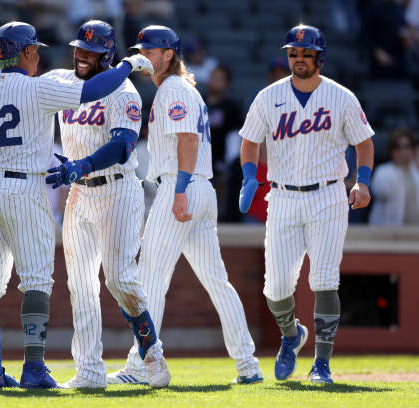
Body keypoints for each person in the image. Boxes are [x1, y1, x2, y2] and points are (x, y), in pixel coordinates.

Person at [0, 21, 154, 389]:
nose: (40, 55)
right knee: (36, 282)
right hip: (26, 188)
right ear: (27, 52)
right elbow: (92, 89)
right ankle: (34, 369)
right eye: (35, 50)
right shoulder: (40, 87)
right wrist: (129, 65)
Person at [106, 25, 263, 386]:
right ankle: (248, 364)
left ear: (169, 54)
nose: (144, 55)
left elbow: (188, 141)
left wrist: (177, 192)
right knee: (217, 282)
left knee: (149, 279)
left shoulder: (173, 89)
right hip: (198, 188)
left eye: (151, 50)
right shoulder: (177, 89)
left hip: (182, 185)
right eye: (141, 49)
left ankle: (139, 365)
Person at [238, 25, 375, 384]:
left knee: (324, 280)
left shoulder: (341, 97)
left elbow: (364, 144)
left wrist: (363, 181)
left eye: (305, 53)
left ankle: (322, 363)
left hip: (329, 194)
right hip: (281, 196)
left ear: (319, 57)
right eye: (293, 53)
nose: (298, 59)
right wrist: (249, 176)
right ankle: (290, 336)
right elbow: (250, 141)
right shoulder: (268, 97)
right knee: (276, 288)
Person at [43, 20, 171, 389]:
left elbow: (123, 145)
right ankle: (89, 371)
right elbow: (25, 92)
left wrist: (82, 164)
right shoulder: (62, 81)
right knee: (80, 284)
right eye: (79, 49)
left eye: (92, 52)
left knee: (119, 278)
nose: (83, 57)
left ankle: (152, 354)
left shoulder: (124, 91)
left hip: (117, 190)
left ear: (108, 55)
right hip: (78, 192)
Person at [369, 129, 419, 225]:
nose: (402, 151)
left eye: (406, 147)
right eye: (397, 147)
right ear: (392, 151)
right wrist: (400, 167)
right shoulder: (383, 171)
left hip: (415, 230)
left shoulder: (415, 170)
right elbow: (382, 192)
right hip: (389, 231)